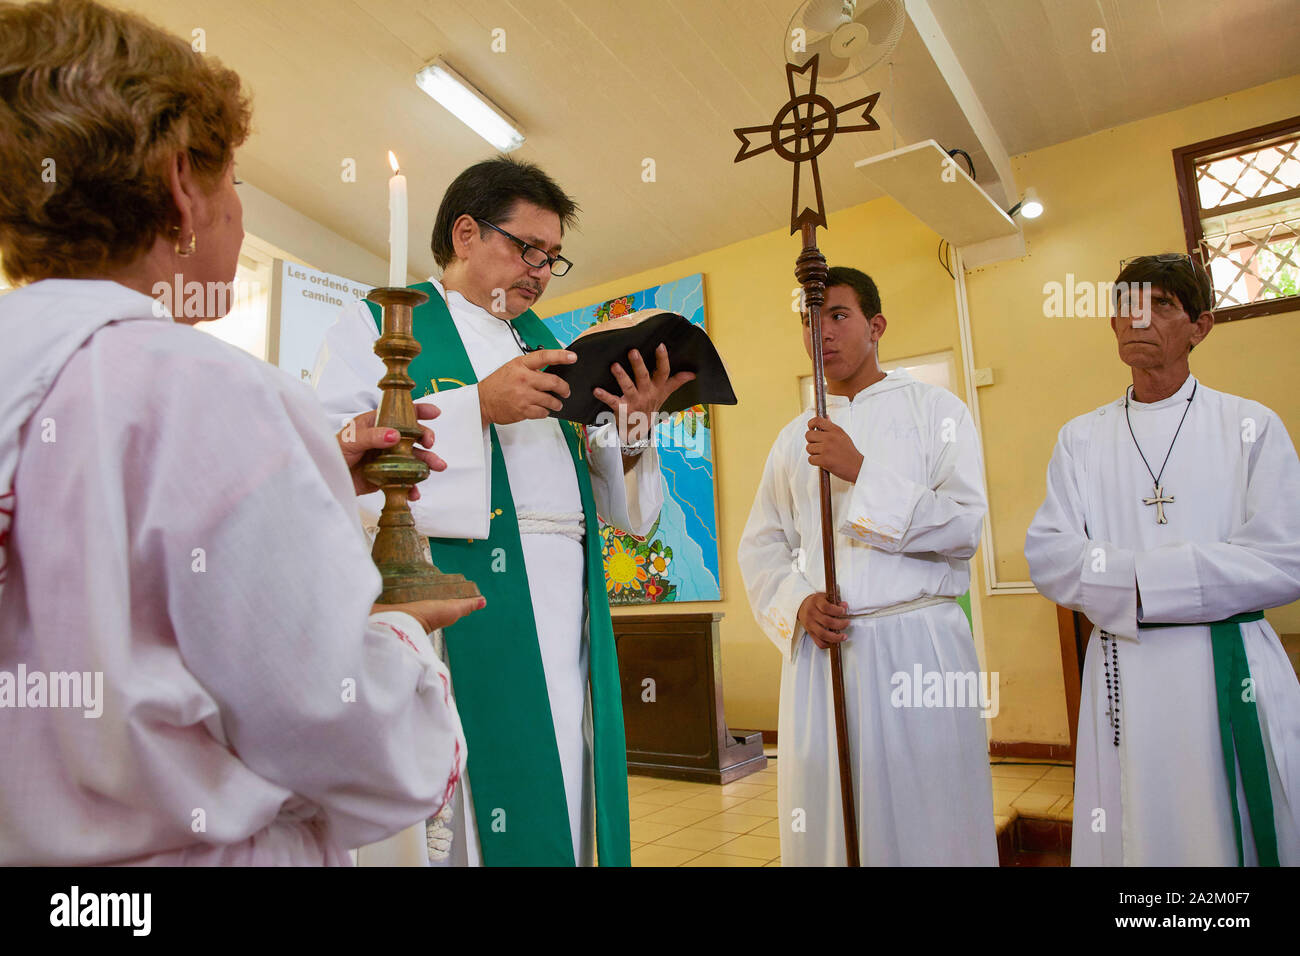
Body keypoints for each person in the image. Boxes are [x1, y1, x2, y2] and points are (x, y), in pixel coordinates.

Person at [0, 0, 480, 865]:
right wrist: (405, 633)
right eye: (237, 185)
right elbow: (355, 739)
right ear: (184, 184)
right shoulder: (206, 389)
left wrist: (318, 473)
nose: (239, 215)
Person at [312, 158, 691, 866]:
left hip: (570, 608)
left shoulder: (546, 342)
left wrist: (633, 430)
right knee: (476, 820)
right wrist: (476, 408)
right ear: (465, 233)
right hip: (465, 604)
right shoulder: (375, 320)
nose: (541, 272)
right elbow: (329, 459)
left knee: (570, 781)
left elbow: (625, 513)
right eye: (528, 248)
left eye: (552, 258)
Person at [1025, 253, 1300, 866]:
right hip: (1127, 671)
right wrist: (1166, 580)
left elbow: (1287, 556)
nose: (1137, 318)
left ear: (1200, 327)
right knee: (1134, 830)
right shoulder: (1082, 437)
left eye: (1161, 305)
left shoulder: (1250, 425)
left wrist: (1138, 580)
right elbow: (1050, 555)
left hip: (1228, 664)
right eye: (1125, 305)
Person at [738, 267, 996, 866]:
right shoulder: (790, 440)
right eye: (809, 319)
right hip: (828, 653)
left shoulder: (938, 411)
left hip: (918, 649)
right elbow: (763, 545)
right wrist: (798, 601)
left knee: (929, 813)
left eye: (837, 315)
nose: (820, 332)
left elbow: (963, 528)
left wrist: (861, 471)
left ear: (876, 326)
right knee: (832, 818)